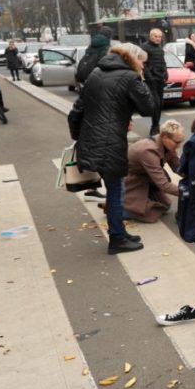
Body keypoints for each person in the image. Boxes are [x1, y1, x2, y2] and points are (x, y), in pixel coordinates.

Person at [67, 43, 156, 254]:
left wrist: (79, 138)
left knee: (114, 189)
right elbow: (149, 107)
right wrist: (143, 78)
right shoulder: (130, 77)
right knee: (116, 191)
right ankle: (117, 239)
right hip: (110, 143)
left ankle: (120, 232)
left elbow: (77, 111)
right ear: (134, 59)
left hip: (92, 140)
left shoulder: (96, 73)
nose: (143, 66)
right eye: (142, 62)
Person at [123, 120, 184, 223]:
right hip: (132, 181)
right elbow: (163, 184)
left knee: (166, 207)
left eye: (181, 142)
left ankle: (137, 201)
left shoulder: (168, 145)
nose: (179, 146)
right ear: (165, 137)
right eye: (177, 142)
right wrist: (187, 192)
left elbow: (179, 168)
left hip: (147, 178)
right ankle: (120, 207)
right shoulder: (148, 151)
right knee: (149, 214)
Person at [141, 27, 168, 136]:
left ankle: (156, 125)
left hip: (160, 79)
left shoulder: (160, 48)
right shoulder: (144, 47)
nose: (158, 39)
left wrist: (166, 72)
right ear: (150, 36)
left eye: (160, 37)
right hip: (151, 80)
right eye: (155, 36)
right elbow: (143, 64)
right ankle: (154, 127)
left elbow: (163, 62)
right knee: (155, 103)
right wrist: (149, 77)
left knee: (160, 104)